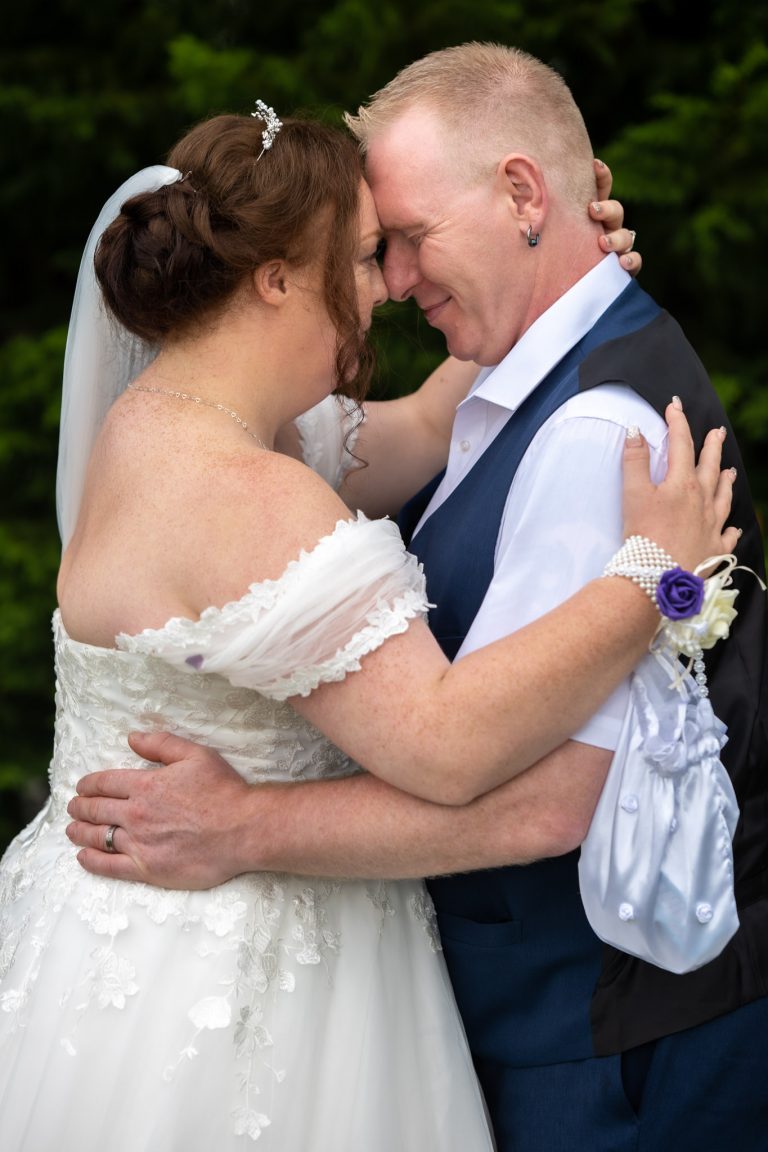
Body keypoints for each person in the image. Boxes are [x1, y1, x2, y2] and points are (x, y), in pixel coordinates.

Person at [66, 45, 767, 1152]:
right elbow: (448, 744)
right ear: (275, 278)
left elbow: (443, 420)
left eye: (403, 241)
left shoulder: (156, 427)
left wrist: (565, 270)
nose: (387, 286)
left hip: (597, 1038)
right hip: (250, 973)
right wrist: (656, 575)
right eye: (366, 253)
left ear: (524, 193)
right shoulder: (255, 484)